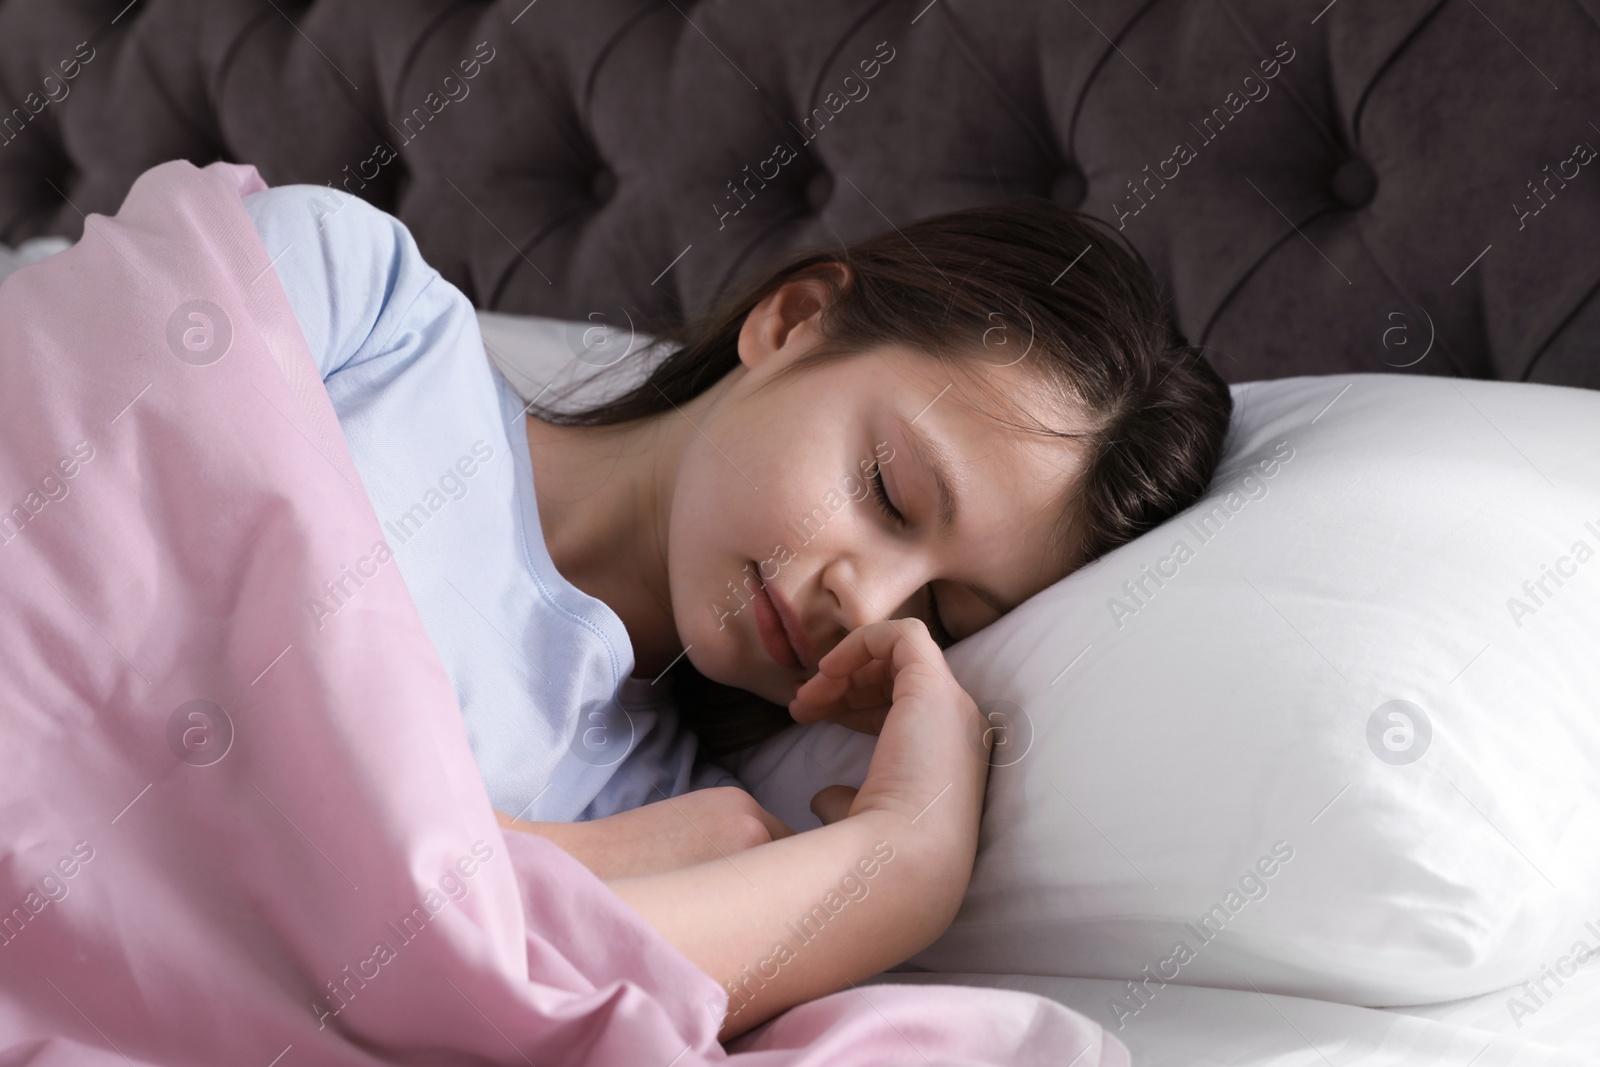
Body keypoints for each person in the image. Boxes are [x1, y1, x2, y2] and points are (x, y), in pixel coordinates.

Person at [244, 186, 1232, 1042]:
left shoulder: (683, 828)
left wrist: (902, 861)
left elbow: (432, 999)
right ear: (793, 320)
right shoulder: (360, 310)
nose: (869, 600)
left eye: (940, 612)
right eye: (888, 491)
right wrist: (575, 862)